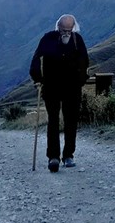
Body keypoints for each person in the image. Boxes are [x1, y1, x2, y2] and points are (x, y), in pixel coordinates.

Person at [30, 14, 90, 173]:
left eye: (69, 30)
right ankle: (53, 157)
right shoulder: (48, 38)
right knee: (53, 121)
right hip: (51, 86)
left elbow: (85, 61)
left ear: (73, 28)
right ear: (58, 27)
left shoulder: (78, 40)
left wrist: (81, 79)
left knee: (71, 121)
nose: (66, 33)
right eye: (64, 30)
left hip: (72, 87)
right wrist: (37, 78)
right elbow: (36, 58)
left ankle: (68, 155)